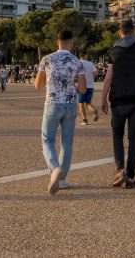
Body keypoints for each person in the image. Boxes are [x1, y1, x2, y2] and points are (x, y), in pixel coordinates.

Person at [100, 19, 135, 189]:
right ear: (134, 32)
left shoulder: (114, 51)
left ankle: (119, 171)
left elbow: (108, 77)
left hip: (119, 100)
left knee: (117, 135)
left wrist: (103, 98)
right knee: (134, 138)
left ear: (119, 32)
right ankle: (130, 176)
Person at [35, 28, 86, 195]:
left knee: (47, 139)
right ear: (71, 43)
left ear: (57, 42)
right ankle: (62, 179)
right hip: (70, 104)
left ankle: (54, 168)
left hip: (52, 103)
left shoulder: (47, 59)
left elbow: (38, 85)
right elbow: (83, 89)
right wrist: (72, 86)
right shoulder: (76, 62)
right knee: (67, 143)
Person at [78, 50, 99, 125]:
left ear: (80, 56)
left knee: (81, 103)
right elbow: (96, 73)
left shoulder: (78, 63)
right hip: (90, 86)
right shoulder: (90, 63)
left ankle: (84, 120)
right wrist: (91, 78)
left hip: (81, 86)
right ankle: (94, 110)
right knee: (87, 104)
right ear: (85, 55)